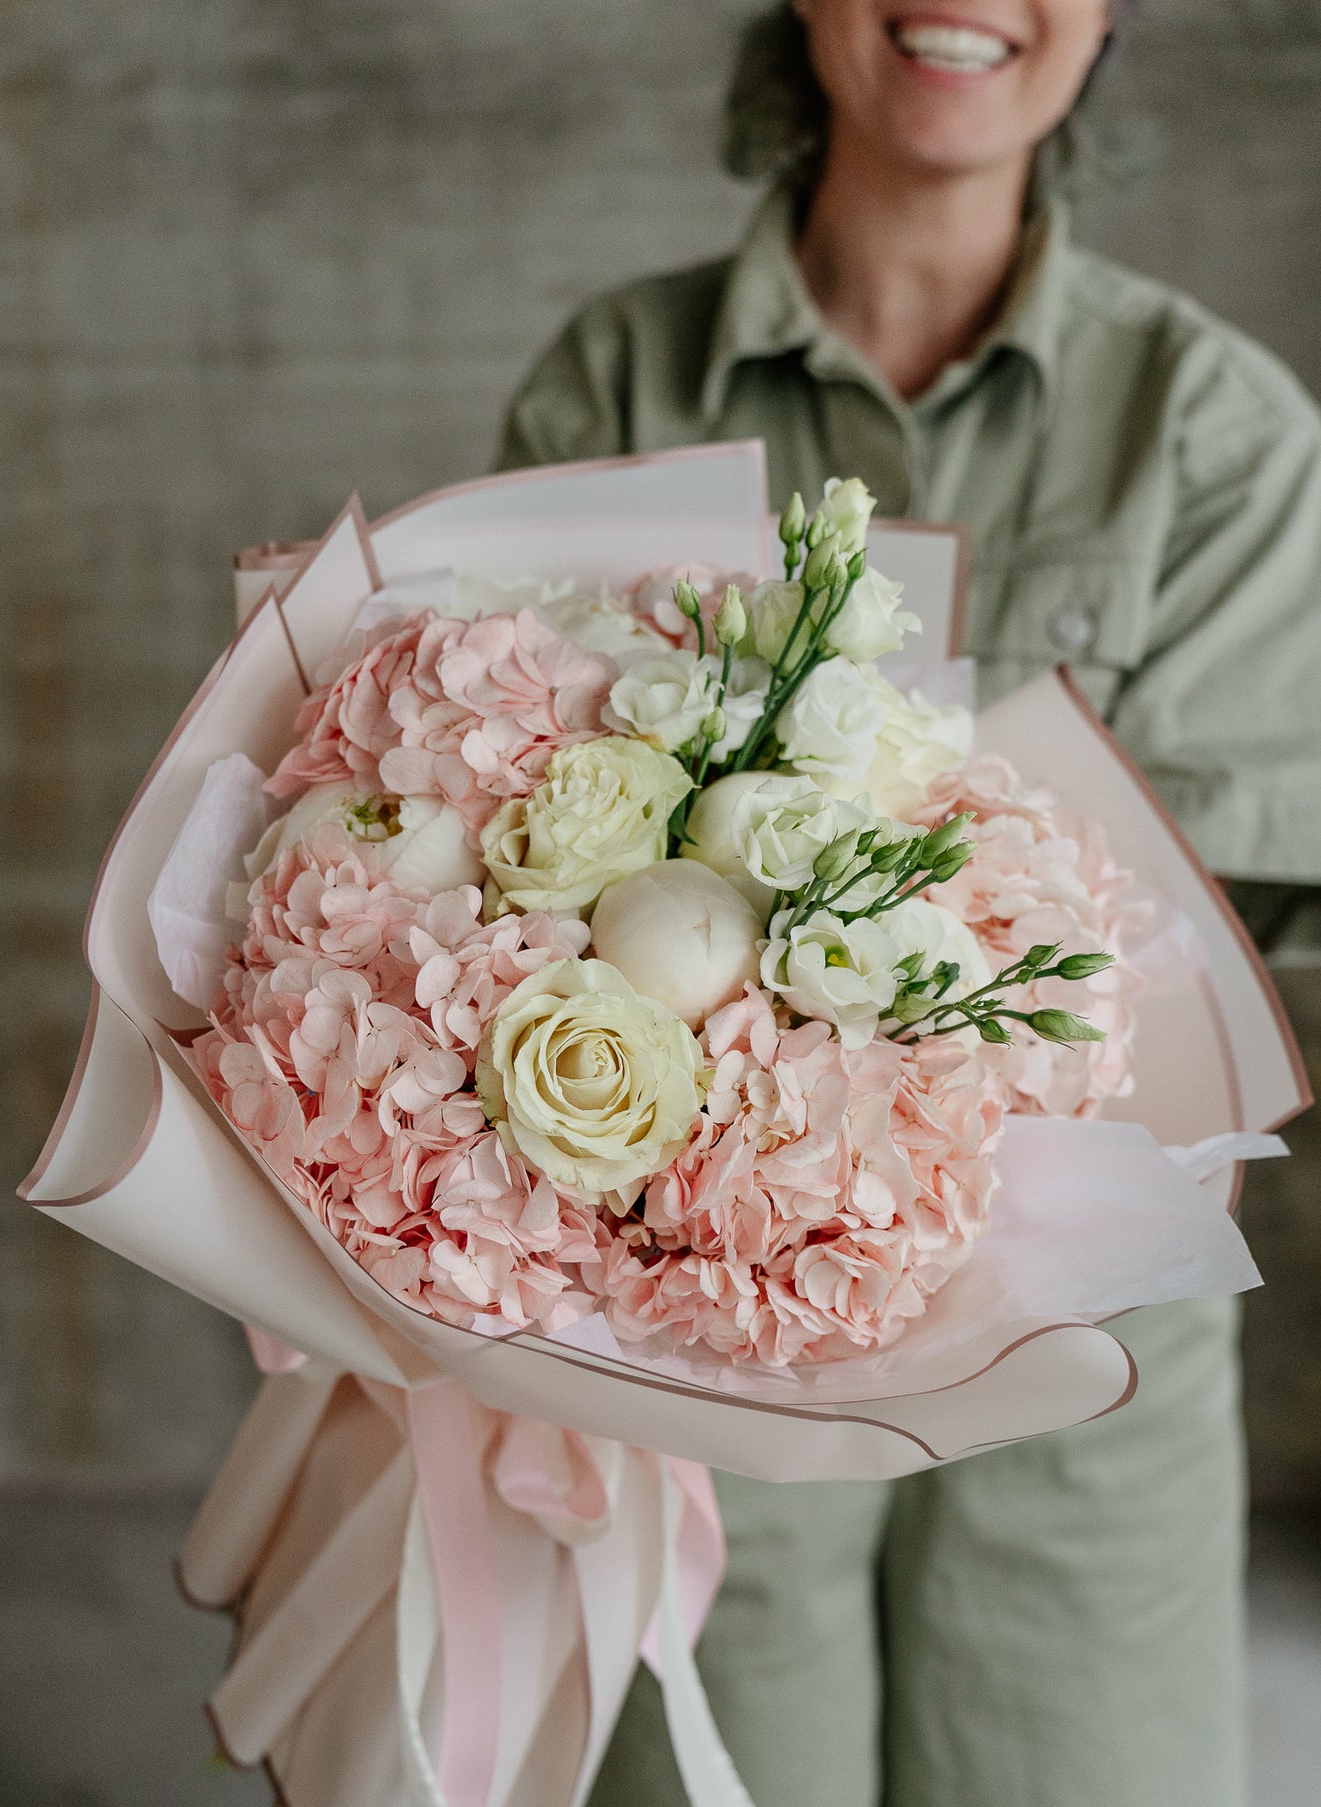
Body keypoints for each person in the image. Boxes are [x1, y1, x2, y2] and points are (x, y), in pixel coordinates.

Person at [493, 4, 1321, 1805]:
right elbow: (495, 866)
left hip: (1083, 1350)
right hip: (693, 1343)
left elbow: (1237, 965)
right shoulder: (614, 381)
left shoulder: (1222, 439)